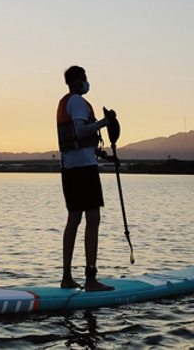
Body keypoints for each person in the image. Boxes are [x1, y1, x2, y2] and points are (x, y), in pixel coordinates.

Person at [57, 65, 116, 291]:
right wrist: (105, 122)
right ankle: (91, 279)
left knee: (74, 219)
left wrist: (103, 156)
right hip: (83, 170)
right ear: (75, 81)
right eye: (84, 78)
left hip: (70, 168)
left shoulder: (66, 102)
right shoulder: (78, 102)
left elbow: (78, 140)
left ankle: (66, 278)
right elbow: (81, 131)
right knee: (93, 219)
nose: (86, 82)